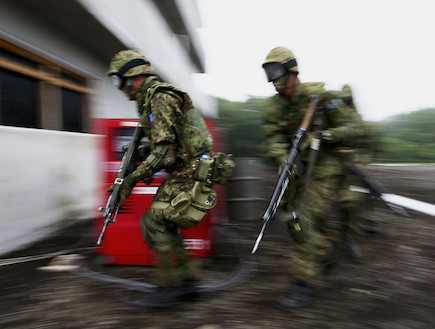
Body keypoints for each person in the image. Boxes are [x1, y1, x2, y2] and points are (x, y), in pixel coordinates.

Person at [106, 50, 233, 309]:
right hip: (185, 168)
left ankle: (170, 288)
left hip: (192, 170)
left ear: (133, 76)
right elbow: (165, 147)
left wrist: (130, 180)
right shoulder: (150, 101)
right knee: (163, 222)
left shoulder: (160, 98)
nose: (120, 89)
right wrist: (137, 155)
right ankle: (186, 284)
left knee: (154, 222)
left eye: (119, 81)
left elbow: (164, 154)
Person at [261, 46, 370, 310]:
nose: (272, 78)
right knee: (291, 220)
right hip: (296, 166)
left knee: (305, 218)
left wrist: (324, 137)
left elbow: (354, 127)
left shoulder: (318, 96)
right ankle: (325, 251)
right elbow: (272, 137)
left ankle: (302, 282)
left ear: (292, 71)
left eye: (276, 70)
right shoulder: (273, 106)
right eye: (267, 72)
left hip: (325, 166)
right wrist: (281, 156)